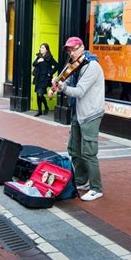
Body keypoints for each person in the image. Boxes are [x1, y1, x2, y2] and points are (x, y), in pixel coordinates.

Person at [51, 37, 105, 201]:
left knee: (89, 153)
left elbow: (79, 91)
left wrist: (62, 87)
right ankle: (82, 180)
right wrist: (56, 84)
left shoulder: (92, 66)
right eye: (69, 50)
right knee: (74, 148)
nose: (71, 53)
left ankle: (96, 188)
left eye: (74, 49)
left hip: (91, 113)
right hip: (79, 111)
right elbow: (65, 80)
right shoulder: (76, 65)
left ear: (82, 48)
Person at [32, 43, 58, 116]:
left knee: (40, 94)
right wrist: (38, 61)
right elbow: (33, 64)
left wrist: (50, 72)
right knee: (38, 94)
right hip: (38, 77)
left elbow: (57, 65)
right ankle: (40, 111)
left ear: (46, 49)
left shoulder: (49, 57)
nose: (41, 49)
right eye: (41, 48)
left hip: (45, 78)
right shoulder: (39, 56)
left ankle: (46, 107)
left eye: (43, 48)